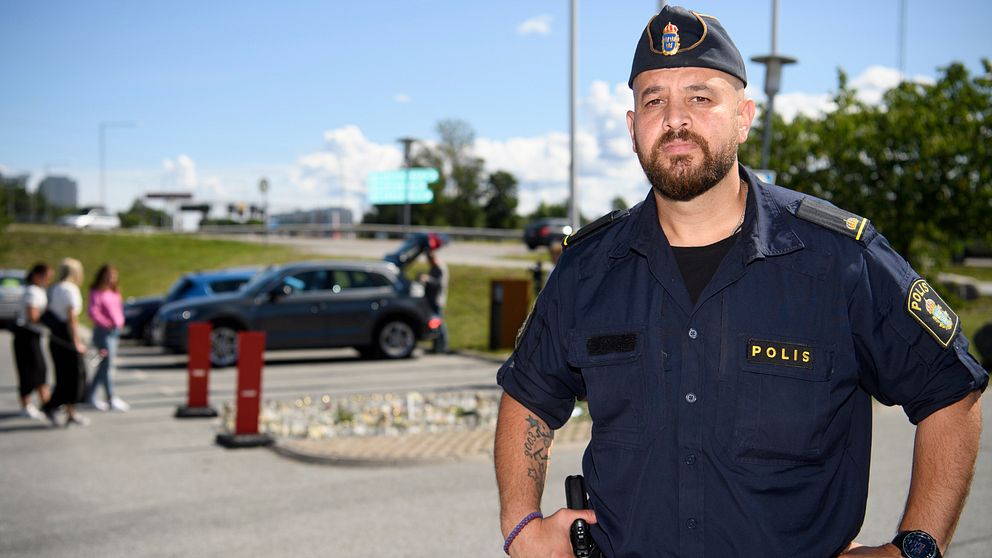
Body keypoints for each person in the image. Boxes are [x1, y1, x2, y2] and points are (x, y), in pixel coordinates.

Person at [493, 5, 987, 558]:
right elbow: (527, 395)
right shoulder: (587, 268)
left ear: (744, 116)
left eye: (700, 97)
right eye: (654, 100)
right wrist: (521, 526)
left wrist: (916, 548)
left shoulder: (838, 260)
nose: (675, 119)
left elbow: (949, 389)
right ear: (632, 128)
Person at [41, 258, 89, 427]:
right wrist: (77, 341)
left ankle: (71, 412)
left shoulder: (55, 288)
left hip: (56, 337)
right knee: (73, 377)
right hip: (66, 336)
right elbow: (71, 318)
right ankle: (52, 406)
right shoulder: (70, 289)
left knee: (64, 376)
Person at [12, 263, 53, 420]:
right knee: (31, 370)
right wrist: (49, 320)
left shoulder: (38, 291)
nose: (48, 280)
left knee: (40, 370)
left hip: (34, 335)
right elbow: (32, 316)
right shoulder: (32, 292)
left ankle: (46, 402)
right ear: (37, 275)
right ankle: (30, 404)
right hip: (26, 335)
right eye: (46, 277)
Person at [86, 264, 128, 412]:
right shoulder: (97, 292)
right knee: (106, 365)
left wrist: (120, 322)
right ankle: (110, 397)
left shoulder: (114, 291)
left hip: (114, 332)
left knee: (104, 366)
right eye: (109, 275)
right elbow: (93, 312)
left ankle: (90, 395)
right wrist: (106, 323)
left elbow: (118, 309)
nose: (111, 278)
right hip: (103, 332)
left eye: (114, 275)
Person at [420, 249, 449, 354]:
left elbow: (437, 283)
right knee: (435, 324)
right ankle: (437, 346)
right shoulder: (435, 267)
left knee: (439, 323)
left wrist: (427, 279)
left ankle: (443, 346)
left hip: (437, 299)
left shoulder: (439, 268)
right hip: (433, 299)